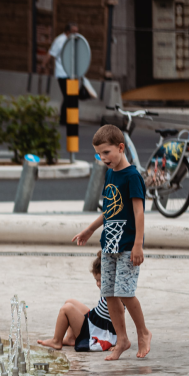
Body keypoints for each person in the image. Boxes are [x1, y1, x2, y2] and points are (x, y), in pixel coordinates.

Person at [73, 124, 152, 360]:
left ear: (120, 147)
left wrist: (138, 244)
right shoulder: (110, 173)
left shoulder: (132, 176)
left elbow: (139, 213)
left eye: (106, 152)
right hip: (109, 245)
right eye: (98, 154)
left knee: (126, 293)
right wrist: (89, 230)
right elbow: (109, 210)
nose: (102, 158)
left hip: (128, 246)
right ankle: (122, 338)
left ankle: (143, 332)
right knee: (109, 293)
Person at [37, 251, 117, 352]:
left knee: (66, 309)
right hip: (97, 322)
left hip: (98, 332)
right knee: (70, 301)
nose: (98, 284)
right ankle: (70, 338)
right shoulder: (110, 289)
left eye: (100, 280)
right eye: (96, 280)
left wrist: (117, 340)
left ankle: (56, 341)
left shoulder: (115, 295)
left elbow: (119, 316)